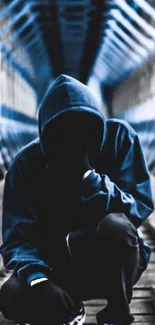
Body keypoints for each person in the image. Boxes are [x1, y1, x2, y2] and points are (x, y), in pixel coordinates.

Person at [0, 74, 154, 325]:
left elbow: (138, 206)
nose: (74, 141)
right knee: (10, 296)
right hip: (56, 263)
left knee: (116, 226)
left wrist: (90, 179)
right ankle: (68, 308)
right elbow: (17, 238)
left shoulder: (120, 139)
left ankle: (117, 309)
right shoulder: (26, 165)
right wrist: (39, 280)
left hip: (114, 263)